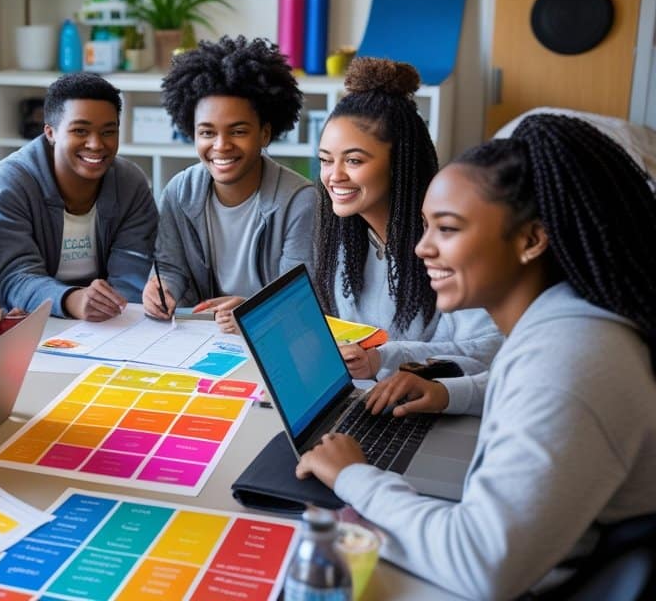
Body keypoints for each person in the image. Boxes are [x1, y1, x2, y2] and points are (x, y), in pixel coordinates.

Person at [296, 114, 656, 600]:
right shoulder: (563, 322)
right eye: (425, 227)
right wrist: (450, 394)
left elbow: (481, 564)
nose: (423, 248)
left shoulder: (571, 359)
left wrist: (355, 478)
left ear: (531, 239)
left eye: (447, 229)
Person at [314, 58, 501, 378]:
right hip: (371, 399)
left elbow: (487, 350)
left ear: (399, 163)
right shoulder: (347, 239)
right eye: (326, 160)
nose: (334, 176)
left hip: (442, 410)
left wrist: (382, 359)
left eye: (354, 160)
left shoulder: (453, 244)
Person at [144, 35, 315, 322]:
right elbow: (170, 267)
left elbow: (299, 299)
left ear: (265, 133)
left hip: (269, 336)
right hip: (200, 336)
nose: (221, 145)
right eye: (207, 133)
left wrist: (249, 309)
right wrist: (161, 290)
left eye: (237, 131)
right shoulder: (179, 192)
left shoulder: (300, 201)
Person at [0, 72, 158, 321]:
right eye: (80, 131)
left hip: (108, 324)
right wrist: (71, 300)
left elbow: (132, 274)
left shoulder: (130, 183)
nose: (96, 144)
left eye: (108, 132)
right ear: (50, 133)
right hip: (31, 321)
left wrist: (109, 309)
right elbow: (15, 275)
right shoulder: (12, 181)